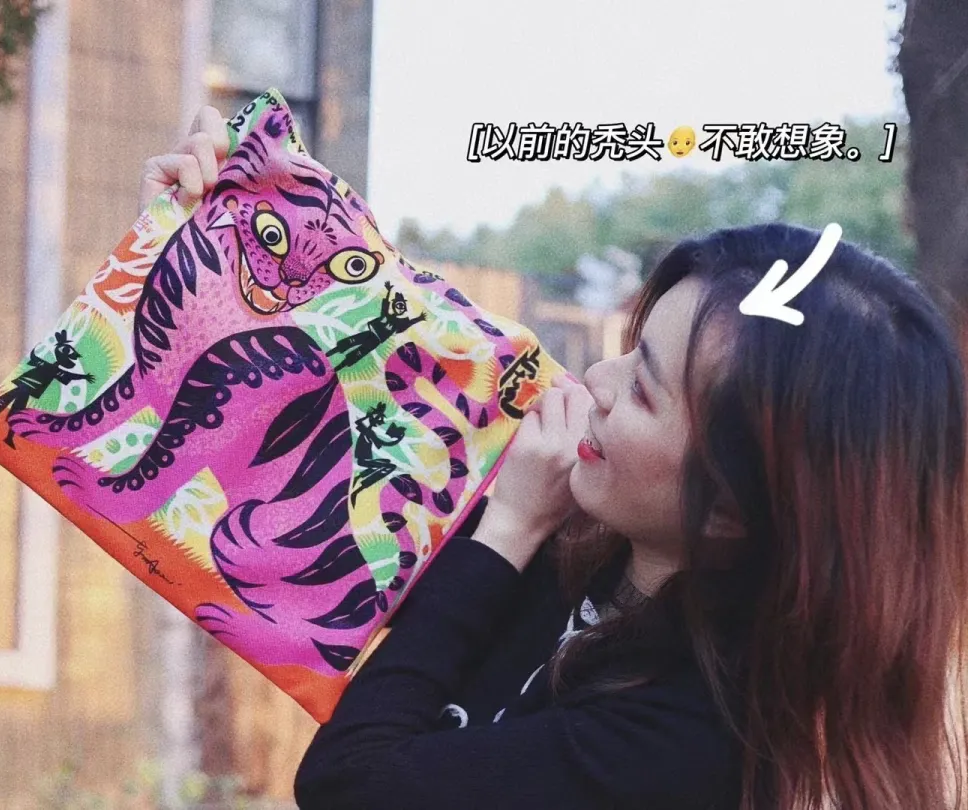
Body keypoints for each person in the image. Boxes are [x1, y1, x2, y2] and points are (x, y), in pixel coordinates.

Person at [142, 107, 968, 810]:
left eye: (643, 388)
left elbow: (350, 785)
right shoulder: (595, 543)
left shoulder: (688, 746)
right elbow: (318, 435)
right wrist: (213, 229)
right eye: (630, 349)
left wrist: (506, 532)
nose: (597, 380)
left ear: (729, 509)